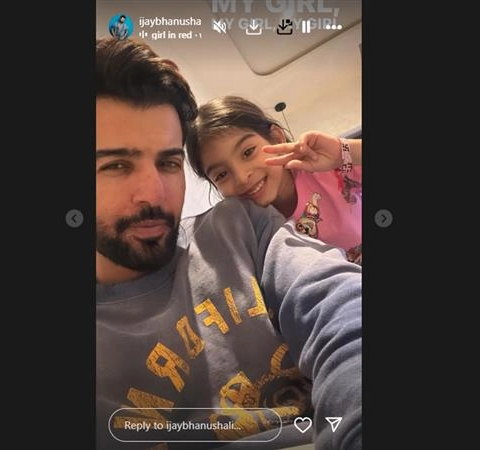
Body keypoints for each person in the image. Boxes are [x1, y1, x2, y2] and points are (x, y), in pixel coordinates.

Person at [95, 37, 362, 450]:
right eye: (116, 165)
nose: (155, 193)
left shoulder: (240, 226)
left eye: (168, 163)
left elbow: (341, 311)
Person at [185, 96, 363, 265]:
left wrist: (343, 152)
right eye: (221, 175)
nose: (241, 177)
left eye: (248, 152)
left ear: (277, 138)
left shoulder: (326, 169)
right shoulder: (248, 234)